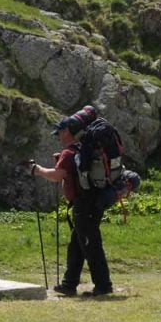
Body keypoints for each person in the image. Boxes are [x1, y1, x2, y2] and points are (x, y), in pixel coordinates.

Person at [30, 109, 116, 298]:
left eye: (60, 133)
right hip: (93, 202)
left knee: (90, 244)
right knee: (78, 244)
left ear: (68, 131)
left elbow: (56, 176)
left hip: (84, 205)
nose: (59, 137)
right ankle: (69, 284)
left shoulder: (70, 152)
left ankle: (103, 286)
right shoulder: (82, 148)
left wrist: (37, 170)